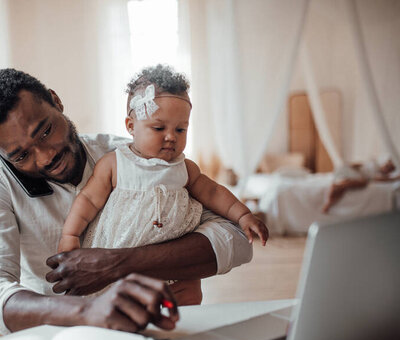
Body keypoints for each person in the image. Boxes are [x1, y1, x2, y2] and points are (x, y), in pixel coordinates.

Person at [0, 68, 253, 335]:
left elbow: (237, 239)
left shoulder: (134, 158)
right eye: (20, 156)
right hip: (57, 334)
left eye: (45, 131)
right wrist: (86, 311)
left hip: (149, 325)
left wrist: (118, 264)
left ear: (56, 101)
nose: (45, 156)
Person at [58, 65, 268, 305]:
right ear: (130, 126)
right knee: (122, 304)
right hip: (123, 250)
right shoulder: (116, 164)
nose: (171, 136)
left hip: (173, 258)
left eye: (181, 129)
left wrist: (243, 216)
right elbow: (88, 200)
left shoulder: (184, 168)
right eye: (159, 128)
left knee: (188, 295)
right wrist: (70, 234)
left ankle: (179, 327)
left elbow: (212, 192)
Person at [322, 158, 400, 213]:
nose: (386, 168)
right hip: (351, 172)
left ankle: (329, 203)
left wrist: (395, 178)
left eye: (389, 168)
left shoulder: (379, 175)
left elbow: (379, 179)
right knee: (344, 182)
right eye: (387, 165)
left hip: (357, 177)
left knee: (349, 184)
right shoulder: (374, 163)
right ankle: (329, 202)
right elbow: (357, 165)